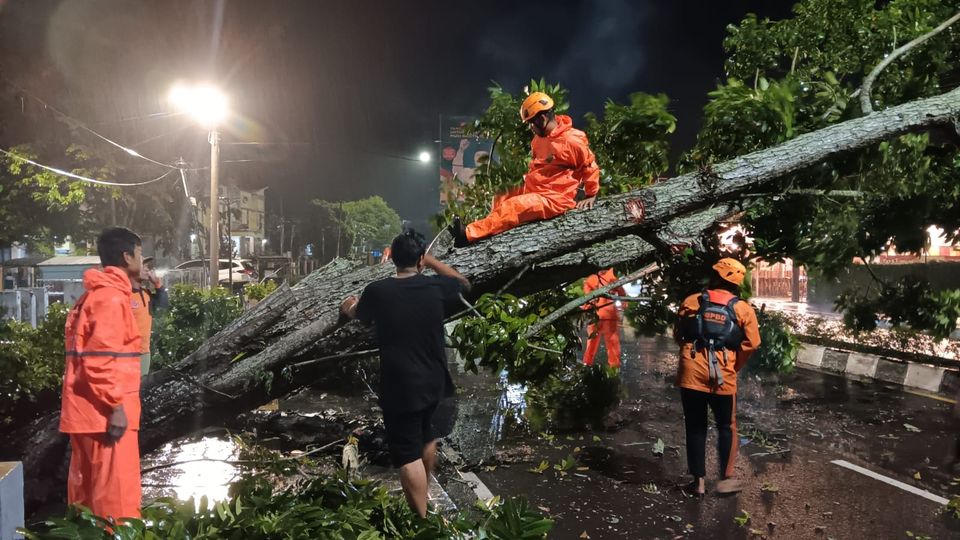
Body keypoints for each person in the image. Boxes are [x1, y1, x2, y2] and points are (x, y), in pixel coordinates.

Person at [340, 229, 470, 517]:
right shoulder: (435, 287)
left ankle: (422, 520)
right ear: (420, 260)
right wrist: (432, 260)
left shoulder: (378, 291)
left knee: (407, 455)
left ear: (392, 259)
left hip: (402, 388)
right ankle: (425, 504)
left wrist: (347, 305)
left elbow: (357, 313)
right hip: (436, 383)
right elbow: (461, 281)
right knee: (427, 439)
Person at [60, 227, 144, 520]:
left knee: (88, 504)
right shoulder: (110, 298)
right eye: (140, 253)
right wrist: (116, 407)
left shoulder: (94, 295)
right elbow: (99, 361)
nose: (143, 261)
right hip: (105, 417)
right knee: (116, 506)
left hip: (88, 415)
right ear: (126, 256)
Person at [449, 92, 600, 246]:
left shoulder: (572, 141)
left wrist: (591, 194)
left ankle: (467, 235)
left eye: (530, 123)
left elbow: (589, 166)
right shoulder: (538, 140)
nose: (530, 127)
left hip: (554, 199)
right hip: (535, 189)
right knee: (502, 194)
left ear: (542, 119)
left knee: (513, 206)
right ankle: (491, 228)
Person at [674, 258, 761, 496]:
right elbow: (752, 343)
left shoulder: (692, 301)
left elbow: (679, 334)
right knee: (726, 426)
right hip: (723, 375)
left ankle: (698, 483)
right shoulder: (743, 309)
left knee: (695, 426)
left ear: (714, 276)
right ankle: (725, 479)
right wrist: (733, 366)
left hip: (691, 371)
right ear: (736, 283)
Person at [581, 268, 625, 368]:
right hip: (609, 317)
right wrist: (622, 308)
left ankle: (586, 365)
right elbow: (622, 295)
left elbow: (587, 298)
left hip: (596, 317)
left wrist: (586, 309)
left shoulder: (590, 279)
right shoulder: (613, 277)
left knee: (592, 343)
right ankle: (614, 368)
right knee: (612, 345)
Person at [132, 256, 168, 376]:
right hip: (127, 354)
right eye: (143, 265)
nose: (147, 269)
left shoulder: (146, 293)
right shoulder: (122, 294)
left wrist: (158, 285)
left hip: (144, 352)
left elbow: (162, 309)